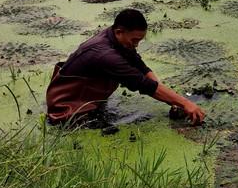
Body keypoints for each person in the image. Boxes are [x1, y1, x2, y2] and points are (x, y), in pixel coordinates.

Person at [46, 8, 205, 127]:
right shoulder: (105, 55)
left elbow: (139, 65)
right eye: (134, 40)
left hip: (90, 102)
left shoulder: (115, 37)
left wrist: (169, 96)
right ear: (119, 32)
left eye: (139, 41)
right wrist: (186, 103)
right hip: (67, 112)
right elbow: (142, 84)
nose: (136, 45)